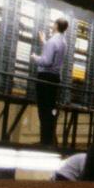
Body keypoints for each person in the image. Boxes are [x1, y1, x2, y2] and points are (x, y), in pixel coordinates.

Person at [30, 17, 69, 145]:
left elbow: (46, 61)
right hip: (55, 79)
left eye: (53, 24)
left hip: (45, 78)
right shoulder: (63, 42)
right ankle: (49, 141)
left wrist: (35, 57)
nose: (52, 26)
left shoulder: (52, 41)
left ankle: (44, 142)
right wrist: (44, 42)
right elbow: (53, 53)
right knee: (50, 111)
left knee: (43, 111)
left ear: (56, 25)